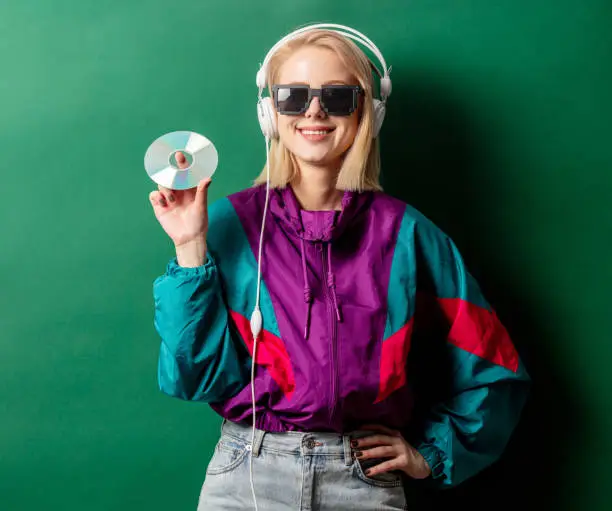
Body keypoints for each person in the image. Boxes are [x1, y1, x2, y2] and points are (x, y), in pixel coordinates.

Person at [149, 23, 530, 511]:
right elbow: (193, 379)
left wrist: (431, 454)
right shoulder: (229, 225)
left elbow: (495, 370)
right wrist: (190, 245)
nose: (313, 110)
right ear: (269, 113)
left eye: (337, 96)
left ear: (368, 112)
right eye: (293, 95)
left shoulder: (408, 235)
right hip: (246, 477)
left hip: (363, 483)